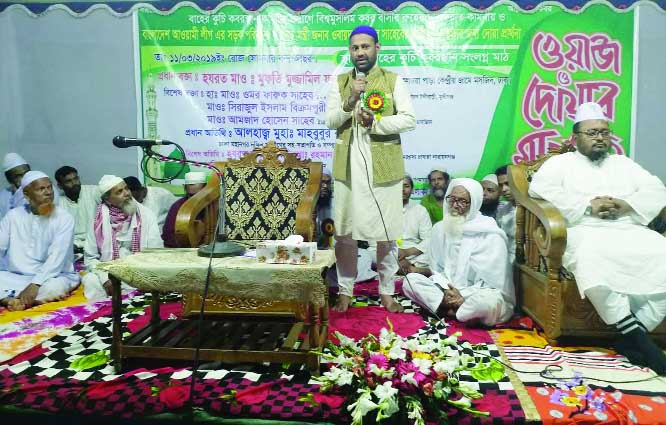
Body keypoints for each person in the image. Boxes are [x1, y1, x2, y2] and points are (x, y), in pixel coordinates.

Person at [529, 102, 666, 374]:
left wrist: (626, 204)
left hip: (629, 229)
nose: (600, 137)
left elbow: (656, 189)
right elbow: (538, 189)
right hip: (584, 229)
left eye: (604, 132)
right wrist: (587, 204)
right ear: (575, 138)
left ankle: (630, 336)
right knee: (592, 260)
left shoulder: (623, 164)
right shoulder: (560, 164)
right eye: (592, 133)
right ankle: (643, 345)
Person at [325, 25, 416, 313]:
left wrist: (375, 124)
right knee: (344, 233)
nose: (360, 52)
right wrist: (350, 100)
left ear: (377, 48)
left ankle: (387, 291)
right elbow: (330, 121)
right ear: (349, 52)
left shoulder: (392, 81)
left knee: (387, 234)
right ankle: (346, 291)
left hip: (383, 167)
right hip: (348, 169)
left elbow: (408, 120)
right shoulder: (340, 82)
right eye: (355, 48)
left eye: (365, 46)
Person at [403, 178, 515, 326]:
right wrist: (446, 290)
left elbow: (494, 284)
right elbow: (437, 270)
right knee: (410, 281)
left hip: (475, 294)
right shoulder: (440, 229)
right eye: (451, 199)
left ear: (474, 203)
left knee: (487, 302)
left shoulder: (491, 234)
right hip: (445, 291)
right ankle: (456, 311)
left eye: (462, 201)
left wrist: (463, 295)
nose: (455, 205)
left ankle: (447, 309)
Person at [0, 171, 80, 311]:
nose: (48, 192)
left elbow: (56, 257)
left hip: (53, 275)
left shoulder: (64, 218)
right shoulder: (13, 216)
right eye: (41, 189)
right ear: (26, 194)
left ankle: (11, 299)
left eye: (49, 187)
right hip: (17, 276)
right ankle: (13, 300)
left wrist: (36, 284)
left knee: (55, 288)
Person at [82, 175, 163, 300]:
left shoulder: (146, 215)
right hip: (109, 272)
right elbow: (91, 258)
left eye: (126, 188)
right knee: (90, 280)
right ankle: (105, 312)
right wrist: (105, 279)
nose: (127, 193)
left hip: (139, 271)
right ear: (108, 199)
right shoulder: (97, 222)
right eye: (119, 192)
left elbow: (155, 252)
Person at [55, 166, 101, 251]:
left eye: (76, 179)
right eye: (68, 181)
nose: (74, 183)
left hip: (97, 242)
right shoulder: (58, 203)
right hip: (73, 246)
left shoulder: (94, 191)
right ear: (60, 186)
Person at [162, 171, 208, 248]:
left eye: (198, 195)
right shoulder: (177, 207)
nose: (194, 199)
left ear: (205, 189)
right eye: (191, 195)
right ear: (185, 189)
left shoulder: (213, 206)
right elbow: (168, 236)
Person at [398, 174, 432, 274]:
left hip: (414, 252)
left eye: (406, 186)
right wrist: (397, 256)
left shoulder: (420, 210)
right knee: (369, 255)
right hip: (391, 251)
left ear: (412, 189)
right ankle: (414, 268)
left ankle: (406, 268)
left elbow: (428, 238)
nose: (402, 190)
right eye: (398, 186)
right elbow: (377, 241)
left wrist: (407, 252)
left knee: (437, 253)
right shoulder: (384, 209)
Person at [495, 165, 516, 262]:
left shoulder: (535, 209)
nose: (504, 189)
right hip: (506, 261)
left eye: (508, 183)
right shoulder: (503, 211)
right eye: (500, 185)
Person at [0, 153, 31, 221]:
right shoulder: (2, 196)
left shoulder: (45, 189)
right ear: (9, 179)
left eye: (27, 173)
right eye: (18, 176)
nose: (25, 177)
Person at [316, 171, 334, 248]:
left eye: (328, 182)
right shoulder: (307, 204)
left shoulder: (336, 202)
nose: (325, 186)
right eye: (322, 182)